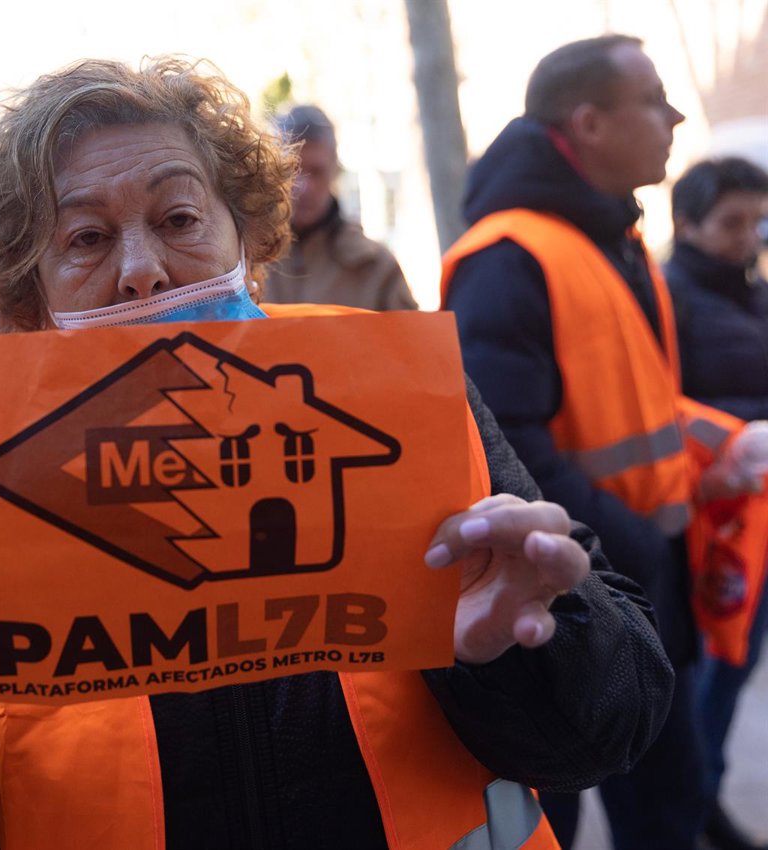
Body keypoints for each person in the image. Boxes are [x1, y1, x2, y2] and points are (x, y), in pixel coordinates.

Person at [0, 57, 674, 850]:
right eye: (85, 238)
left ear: (247, 237)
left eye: (180, 218)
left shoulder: (404, 407)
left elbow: (613, 724)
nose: (143, 269)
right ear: (25, 292)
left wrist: (522, 648)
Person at [442, 36, 768, 850]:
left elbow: (645, 408)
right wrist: (629, 548)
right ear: (588, 124)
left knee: (671, 805)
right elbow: (503, 449)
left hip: (639, 580)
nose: (676, 117)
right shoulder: (510, 257)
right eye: (653, 100)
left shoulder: (613, 243)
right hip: (576, 596)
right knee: (579, 816)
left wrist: (727, 445)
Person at [665, 156, 768, 850]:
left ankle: (705, 798)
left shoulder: (753, 294)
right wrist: (745, 432)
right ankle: (690, 805)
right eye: (732, 222)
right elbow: (667, 408)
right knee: (706, 675)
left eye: (757, 222)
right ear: (687, 224)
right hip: (707, 519)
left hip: (755, 513)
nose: (748, 237)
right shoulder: (668, 297)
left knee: (735, 666)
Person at [262, 104, 417, 311]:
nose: (304, 187)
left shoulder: (375, 267)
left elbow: (410, 332)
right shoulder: (243, 263)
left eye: (316, 172)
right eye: (292, 171)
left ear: (334, 169)